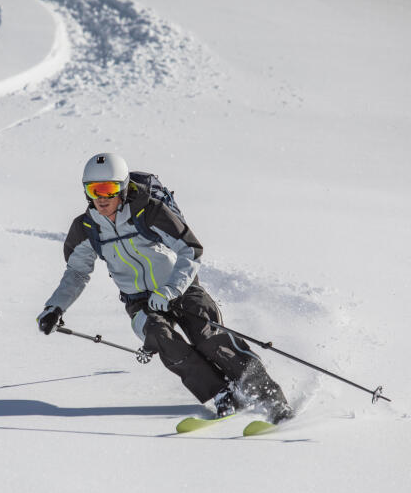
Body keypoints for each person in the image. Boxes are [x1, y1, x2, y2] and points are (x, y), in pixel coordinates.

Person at [36, 153, 294, 423]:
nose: (101, 197)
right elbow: (77, 272)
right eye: (94, 190)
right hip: (138, 301)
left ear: (122, 188)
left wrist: (171, 289)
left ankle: (269, 397)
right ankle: (221, 393)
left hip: (180, 288)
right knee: (159, 336)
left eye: (108, 189)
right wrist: (55, 307)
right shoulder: (86, 228)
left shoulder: (149, 211)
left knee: (208, 337)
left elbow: (190, 250)